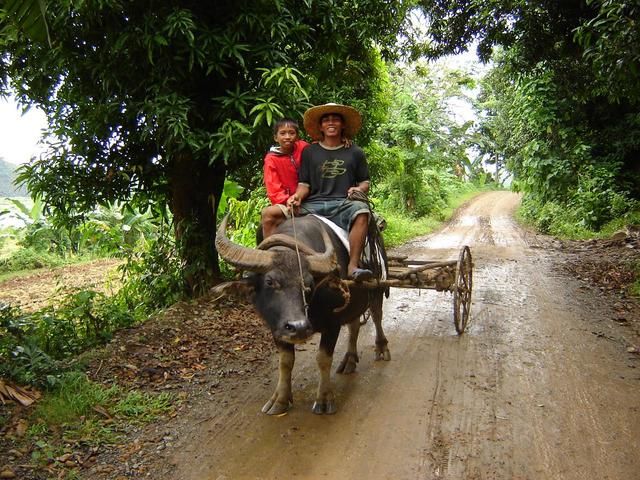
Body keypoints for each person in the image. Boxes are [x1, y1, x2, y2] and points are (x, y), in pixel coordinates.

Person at [287, 103, 374, 281]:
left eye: (335, 119)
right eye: (326, 120)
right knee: (275, 216)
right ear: (320, 127)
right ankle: (274, 265)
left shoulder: (355, 151)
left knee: (362, 211)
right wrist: (296, 196)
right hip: (314, 204)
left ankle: (353, 266)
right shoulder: (310, 152)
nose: (331, 123)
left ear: (343, 125)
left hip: (344, 204)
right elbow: (304, 184)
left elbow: (365, 182)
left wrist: (358, 189)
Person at [260, 118, 309, 238]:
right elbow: (273, 189)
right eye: (282, 133)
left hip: (310, 197)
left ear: (297, 136)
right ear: (276, 138)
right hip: (287, 203)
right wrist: (288, 201)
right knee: (268, 213)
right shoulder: (271, 159)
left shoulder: (303, 147)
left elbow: (321, 148)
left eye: (291, 133)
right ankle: (267, 251)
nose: (287, 137)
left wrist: (342, 140)